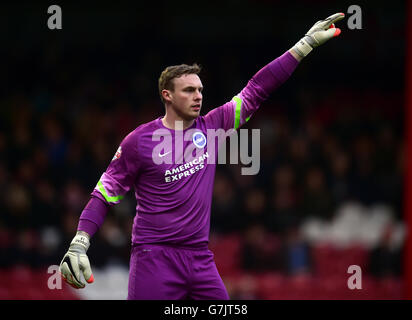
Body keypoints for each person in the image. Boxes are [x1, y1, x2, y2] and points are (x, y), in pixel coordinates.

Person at [59, 13, 345, 299]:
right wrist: (80, 243)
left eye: (200, 90)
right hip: (154, 258)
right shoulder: (138, 141)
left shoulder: (213, 126)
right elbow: (104, 194)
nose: (198, 96)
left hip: (199, 260)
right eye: (189, 90)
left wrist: (304, 45)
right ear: (167, 95)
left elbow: (257, 89)